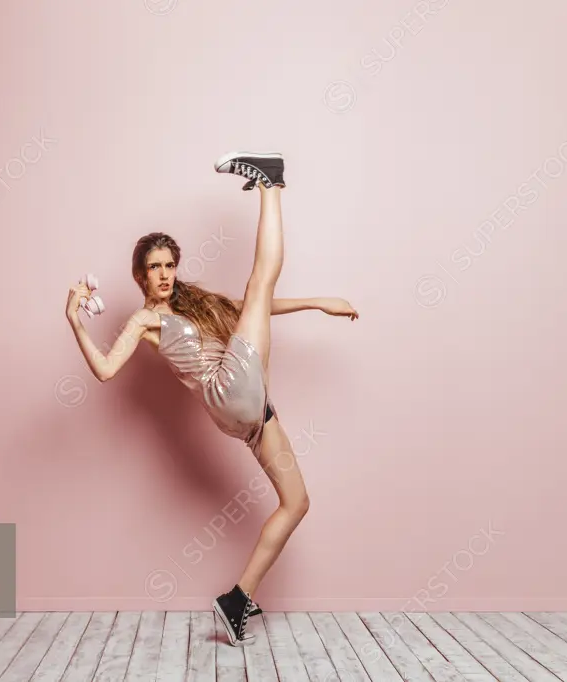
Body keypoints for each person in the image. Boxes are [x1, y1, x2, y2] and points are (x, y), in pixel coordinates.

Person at [66, 152, 359, 646]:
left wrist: (318, 303)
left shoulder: (192, 302)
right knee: (259, 280)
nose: (164, 274)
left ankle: (237, 599)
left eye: (169, 265)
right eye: (154, 268)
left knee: (296, 502)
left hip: (248, 413)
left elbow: (250, 309)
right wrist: (74, 321)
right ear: (140, 277)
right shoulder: (146, 320)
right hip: (228, 388)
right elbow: (105, 370)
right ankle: (270, 185)